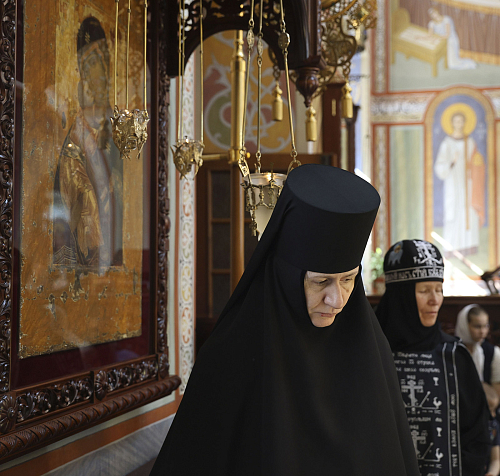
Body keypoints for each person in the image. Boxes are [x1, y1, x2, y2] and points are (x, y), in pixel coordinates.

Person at [150, 164, 420, 475]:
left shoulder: (372, 350)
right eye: (321, 282)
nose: (337, 300)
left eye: (348, 280)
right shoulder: (230, 356)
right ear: (285, 277)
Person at [376, 239, 490, 476]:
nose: (435, 300)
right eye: (424, 290)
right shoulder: (373, 353)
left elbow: (477, 433)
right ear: (401, 296)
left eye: (438, 289)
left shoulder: (454, 355)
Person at [53, 16, 123, 268]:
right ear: (82, 70)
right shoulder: (77, 128)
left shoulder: (116, 126)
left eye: (104, 60)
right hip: (85, 247)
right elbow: (71, 175)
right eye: (93, 62)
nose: (101, 69)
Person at [434, 105, 485, 256]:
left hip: (468, 183)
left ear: (464, 123)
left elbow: (476, 161)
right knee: (453, 213)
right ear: (452, 123)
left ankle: (469, 246)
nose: (459, 124)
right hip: (453, 184)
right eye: (456, 121)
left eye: (461, 121)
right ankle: (451, 248)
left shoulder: (470, 142)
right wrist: (452, 162)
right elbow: (439, 167)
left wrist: (477, 163)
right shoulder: (447, 143)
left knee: (469, 212)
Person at [455, 304, 500, 396]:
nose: (482, 331)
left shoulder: (493, 352)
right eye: (477, 326)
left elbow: (496, 394)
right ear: (464, 326)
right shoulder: (452, 351)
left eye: (486, 326)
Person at [483, 383, 500, 476]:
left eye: (494, 410)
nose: (493, 415)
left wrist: (492, 473)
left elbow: (496, 459)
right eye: (490, 411)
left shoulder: (493, 426)